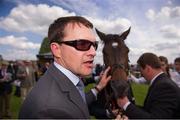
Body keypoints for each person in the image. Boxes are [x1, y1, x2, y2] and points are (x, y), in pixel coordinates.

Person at [19, 16, 111, 119]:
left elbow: (76, 102)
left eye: (94, 45)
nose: (93, 52)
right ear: (57, 49)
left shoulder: (61, 80)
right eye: (82, 44)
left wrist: (98, 88)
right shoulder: (50, 111)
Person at [115, 52, 180, 119]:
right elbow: (148, 110)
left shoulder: (165, 86)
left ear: (148, 69)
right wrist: (127, 108)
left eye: (141, 70)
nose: (141, 73)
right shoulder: (159, 82)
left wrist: (126, 104)